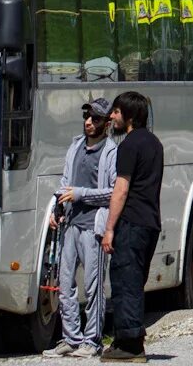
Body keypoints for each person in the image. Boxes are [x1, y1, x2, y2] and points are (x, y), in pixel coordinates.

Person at [49, 98, 119, 358]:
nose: (89, 122)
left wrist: (81, 194)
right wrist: (57, 206)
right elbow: (65, 182)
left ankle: (93, 340)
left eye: (95, 119)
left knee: (93, 286)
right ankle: (70, 337)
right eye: (87, 117)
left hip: (93, 227)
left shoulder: (110, 152)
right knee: (65, 283)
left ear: (107, 124)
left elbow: (113, 192)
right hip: (71, 224)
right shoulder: (75, 146)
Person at [100, 92, 162, 362]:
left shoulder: (128, 146)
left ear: (130, 116)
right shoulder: (155, 143)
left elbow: (121, 189)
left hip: (132, 223)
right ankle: (128, 339)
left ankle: (131, 346)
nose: (112, 117)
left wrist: (110, 228)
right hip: (150, 222)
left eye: (116, 112)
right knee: (135, 282)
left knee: (125, 282)